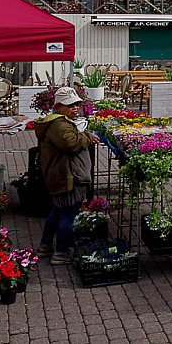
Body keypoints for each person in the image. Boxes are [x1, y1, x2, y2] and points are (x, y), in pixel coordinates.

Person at [34, 86, 99, 265]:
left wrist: (83, 134)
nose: (75, 108)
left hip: (63, 175)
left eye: (77, 104)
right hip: (69, 177)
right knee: (67, 216)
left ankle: (45, 246)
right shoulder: (59, 124)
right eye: (70, 105)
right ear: (58, 107)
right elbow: (71, 144)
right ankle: (60, 253)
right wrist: (88, 137)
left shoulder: (60, 122)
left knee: (57, 212)